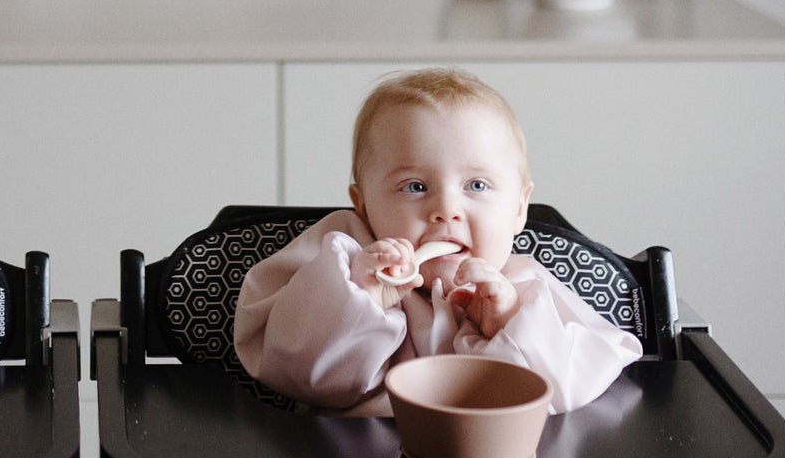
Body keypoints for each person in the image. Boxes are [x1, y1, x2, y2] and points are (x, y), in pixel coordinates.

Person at [234, 68, 641, 413]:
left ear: (519, 208)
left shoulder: (526, 288)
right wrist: (357, 299)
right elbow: (300, 373)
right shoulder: (342, 255)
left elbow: (565, 392)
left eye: (476, 185)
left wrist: (510, 324)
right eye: (414, 186)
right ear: (363, 206)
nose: (446, 209)